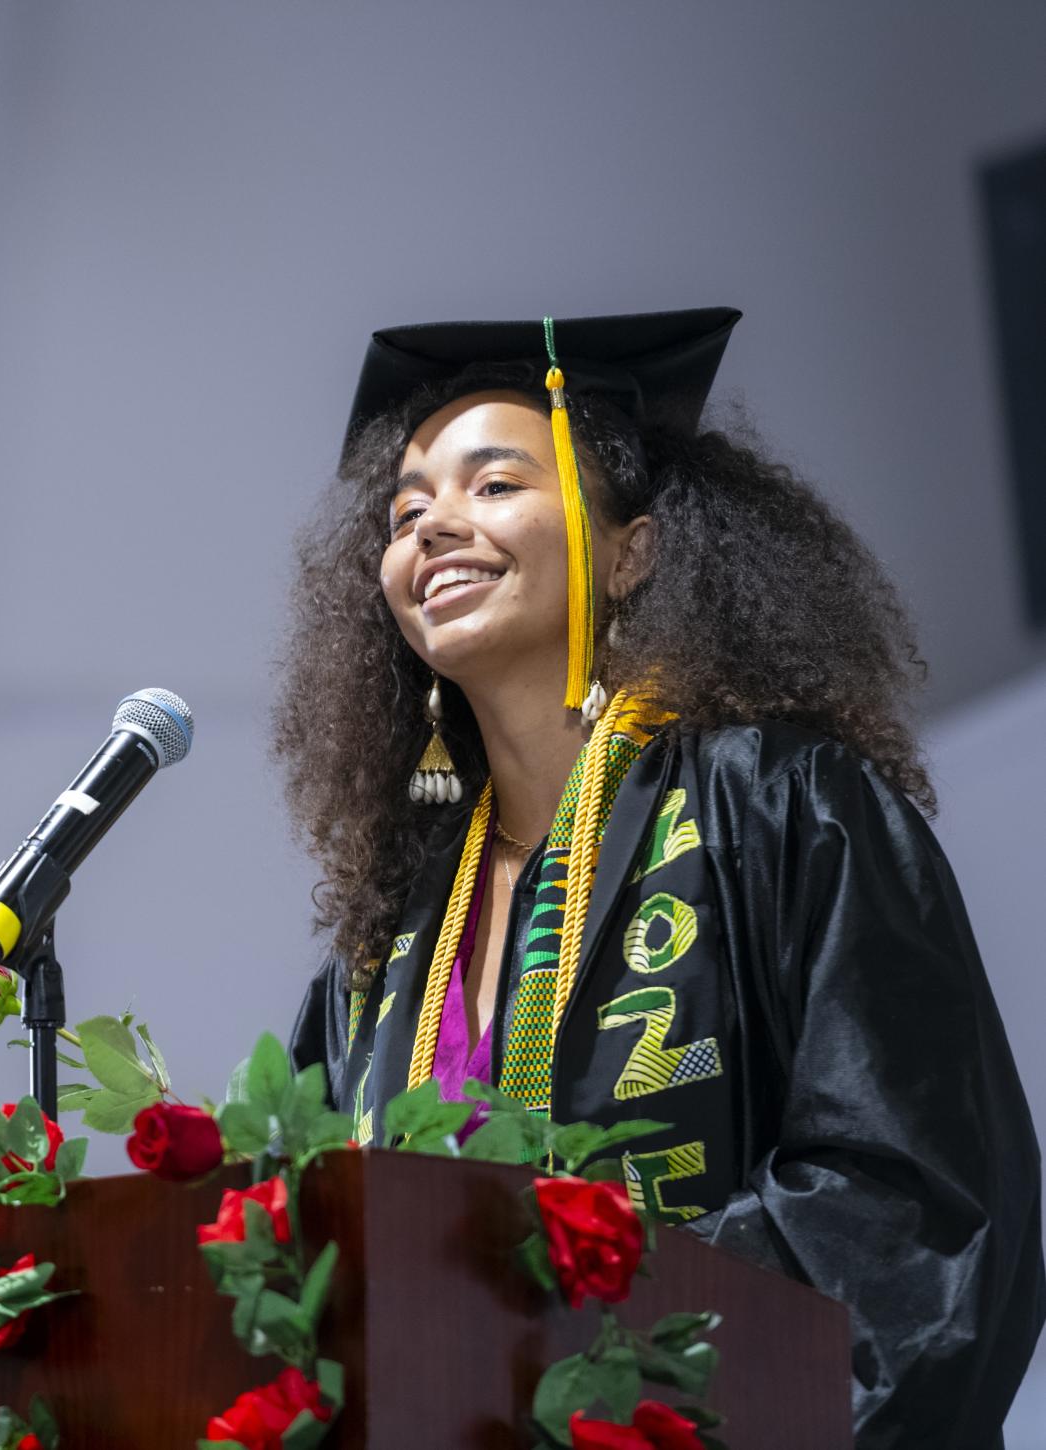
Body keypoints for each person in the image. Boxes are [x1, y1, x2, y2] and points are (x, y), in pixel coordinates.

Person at [281, 308, 1044, 1447]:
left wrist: (575, 1344)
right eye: (403, 512)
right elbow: (310, 1262)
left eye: (491, 486)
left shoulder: (782, 802)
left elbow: (911, 1207)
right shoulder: (392, 937)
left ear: (632, 547)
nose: (433, 525)